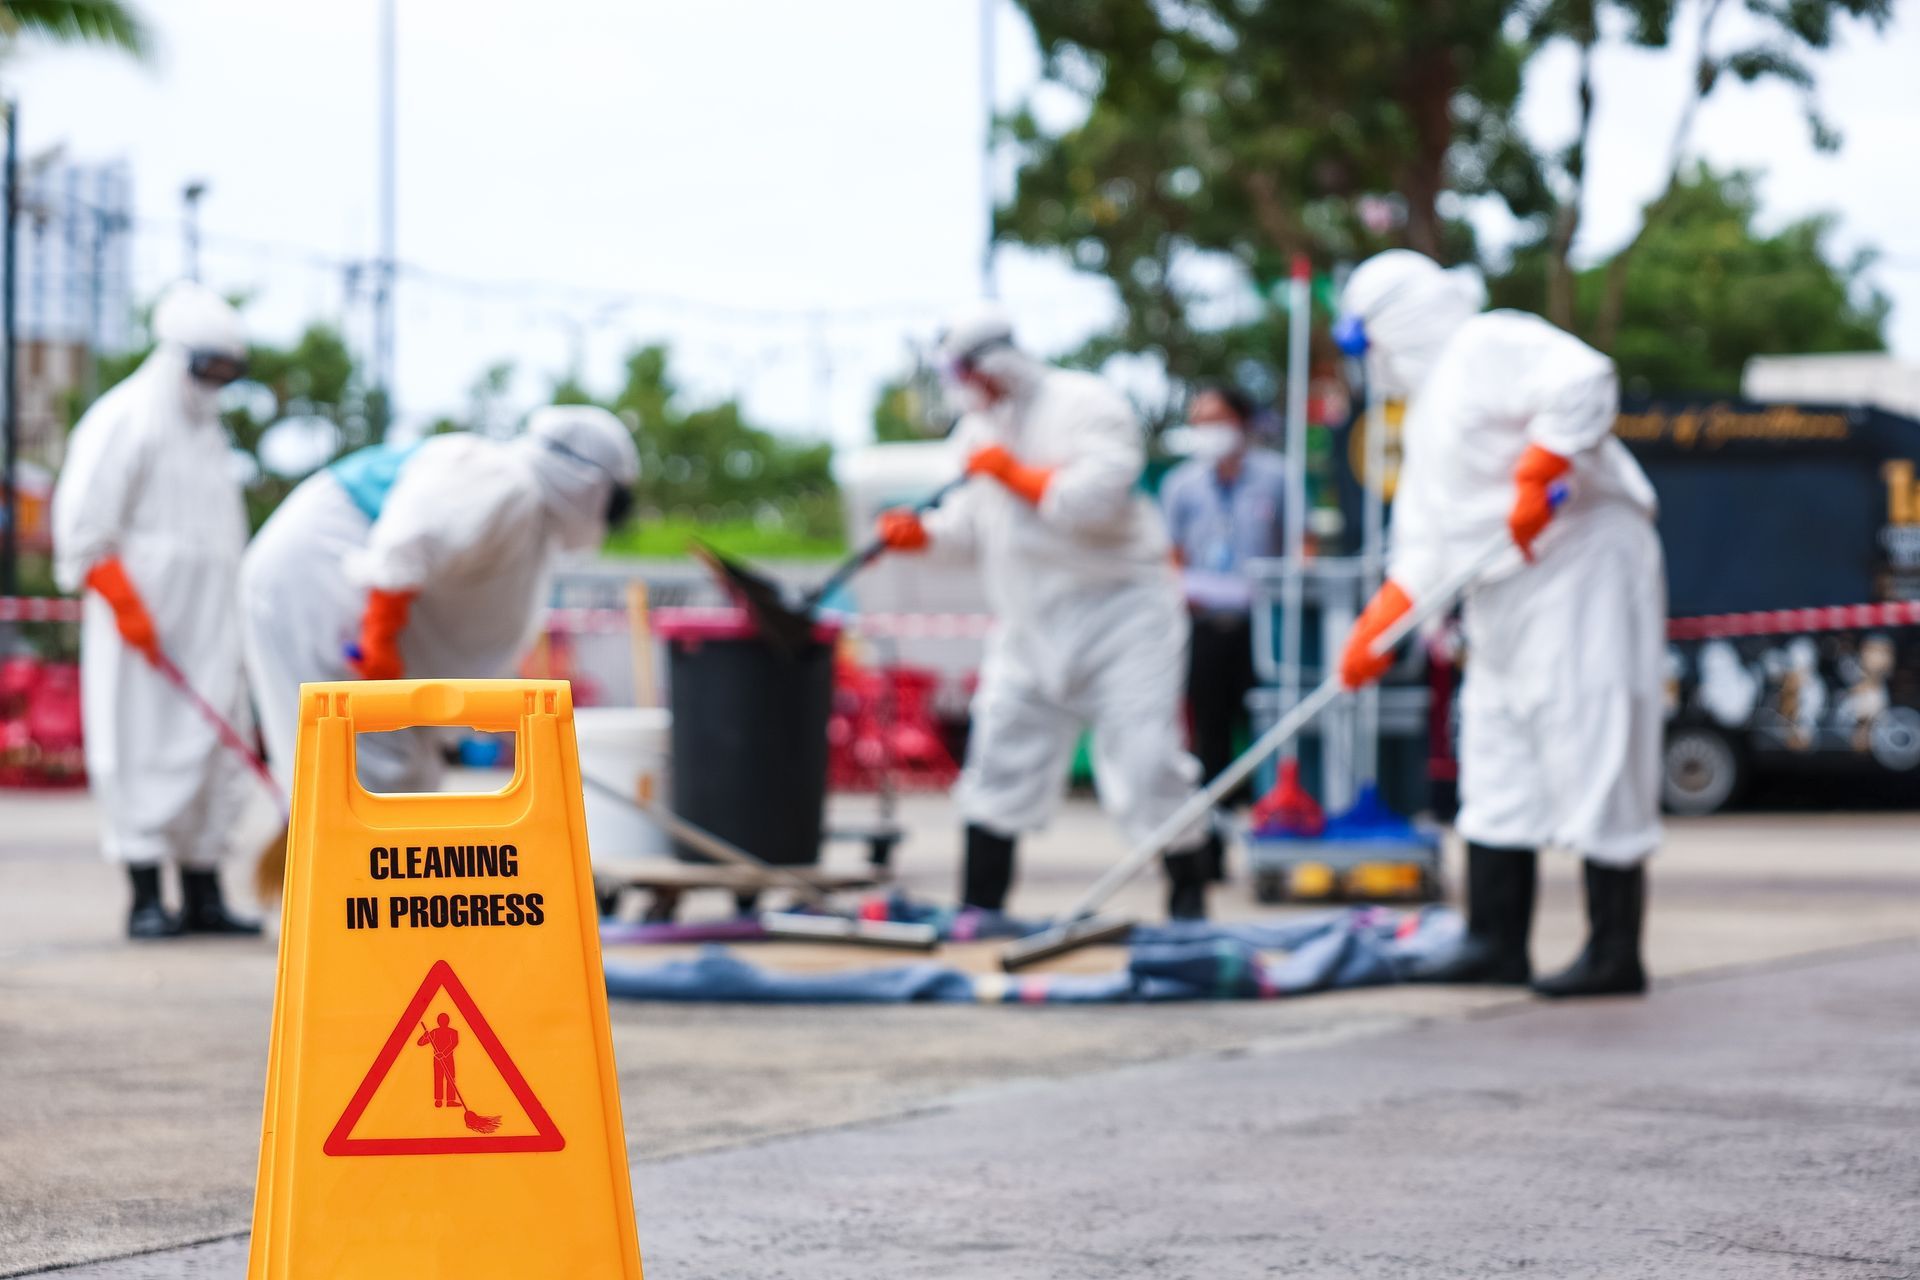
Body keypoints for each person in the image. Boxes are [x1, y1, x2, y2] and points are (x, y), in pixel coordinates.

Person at [1334, 249, 1665, 998]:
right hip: (1500, 589)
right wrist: (1375, 631)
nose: (1369, 362)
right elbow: (1424, 548)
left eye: (1364, 342)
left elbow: (1583, 379)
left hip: (1579, 563)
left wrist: (1540, 468)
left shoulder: (1488, 343)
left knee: (1591, 733)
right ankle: (1494, 940)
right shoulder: (1422, 419)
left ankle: (1615, 952)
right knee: (1495, 748)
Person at [875, 305, 1215, 920]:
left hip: (1123, 620)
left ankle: (1189, 906)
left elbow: (1093, 501)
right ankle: (979, 912)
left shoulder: (1087, 405)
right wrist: (920, 536)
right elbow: (967, 530)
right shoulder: (976, 433)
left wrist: (1011, 473)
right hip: (1030, 625)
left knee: (1146, 765)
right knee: (997, 762)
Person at [240, 406, 639, 795]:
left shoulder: (531, 514)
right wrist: (378, 645)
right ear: (588, 482)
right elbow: (407, 546)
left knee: (400, 780)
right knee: (367, 780)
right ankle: (328, 861)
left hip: (332, 591)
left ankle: (310, 858)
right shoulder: (502, 479)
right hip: (318, 582)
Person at [52, 280, 260, 939]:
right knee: (139, 749)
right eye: (209, 368)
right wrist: (123, 600)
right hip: (145, 632)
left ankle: (204, 893)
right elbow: (85, 527)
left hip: (212, 630)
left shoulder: (211, 439)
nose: (217, 384)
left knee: (215, 754)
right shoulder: (124, 418)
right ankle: (145, 897)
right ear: (178, 359)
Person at [1158, 385, 1287, 860]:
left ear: (1241, 421)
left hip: (1265, 626)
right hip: (1205, 624)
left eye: (1216, 419)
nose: (1208, 431)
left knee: (1265, 727)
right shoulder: (1181, 485)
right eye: (1200, 421)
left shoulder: (1277, 478)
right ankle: (1207, 844)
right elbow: (1172, 554)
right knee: (1207, 737)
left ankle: (1270, 834)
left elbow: (1302, 544)